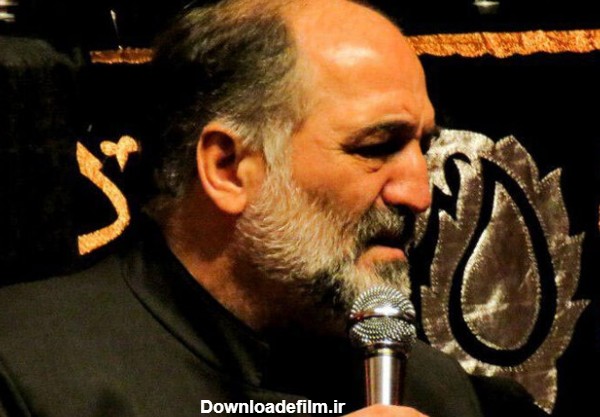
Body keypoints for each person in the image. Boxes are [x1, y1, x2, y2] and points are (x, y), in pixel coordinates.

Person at [0, 0, 544, 416]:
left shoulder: (432, 391)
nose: (418, 193)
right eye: (376, 147)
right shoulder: (26, 368)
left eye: (423, 147)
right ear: (228, 168)